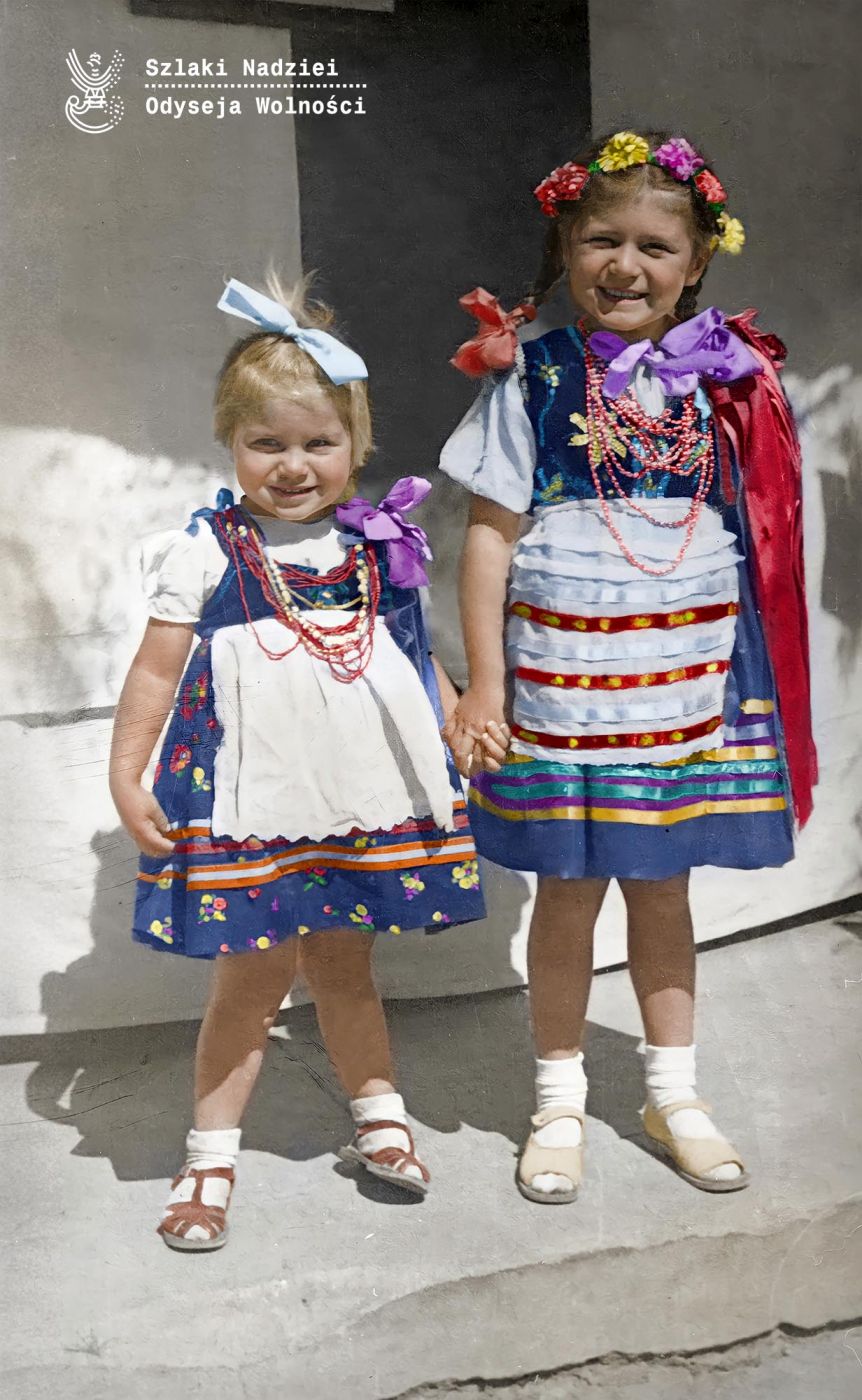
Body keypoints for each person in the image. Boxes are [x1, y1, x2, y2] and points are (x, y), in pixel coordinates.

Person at [439, 131, 816, 1202]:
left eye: (656, 245)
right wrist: (483, 683)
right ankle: (558, 1098)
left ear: (694, 261)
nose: (627, 264)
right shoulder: (536, 377)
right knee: (567, 894)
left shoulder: (723, 384)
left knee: (661, 891)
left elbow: (766, 533)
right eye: (603, 237)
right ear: (566, 245)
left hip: (679, 690)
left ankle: (672, 1092)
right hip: (563, 688)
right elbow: (489, 536)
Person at [109, 276, 489, 1249]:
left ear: (354, 444)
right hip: (255, 795)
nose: (291, 464)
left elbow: (412, 652)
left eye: (316, 442)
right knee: (250, 979)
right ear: (230, 443)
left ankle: (378, 1119)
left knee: (345, 967)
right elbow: (155, 673)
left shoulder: (376, 539)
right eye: (266, 443)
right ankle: (209, 1157)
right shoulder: (206, 551)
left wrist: (455, 735)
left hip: (354, 792)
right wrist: (127, 773)